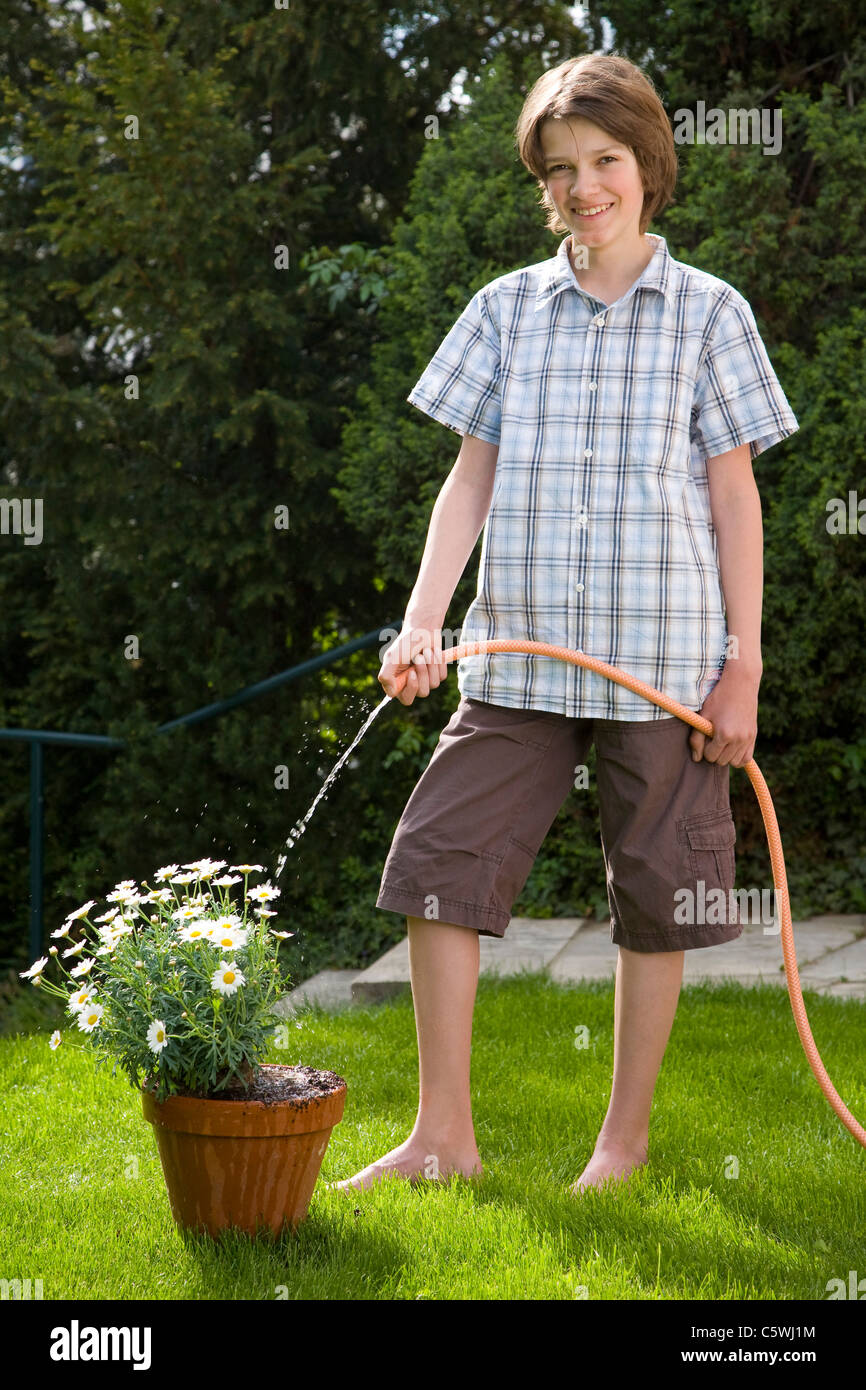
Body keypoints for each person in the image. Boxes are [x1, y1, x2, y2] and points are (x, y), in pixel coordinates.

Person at [328, 53, 799, 1197]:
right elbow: (468, 480)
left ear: (646, 165)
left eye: (604, 161)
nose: (584, 186)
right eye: (560, 169)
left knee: (656, 897)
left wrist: (740, 669)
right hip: (516, 653)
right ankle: (443, 1136)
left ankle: (620, 1148)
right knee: (438, 863)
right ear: (540, 183)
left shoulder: (707, 314)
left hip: (663, 667)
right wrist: (420, 621)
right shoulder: (504, 310)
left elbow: (734, 501)